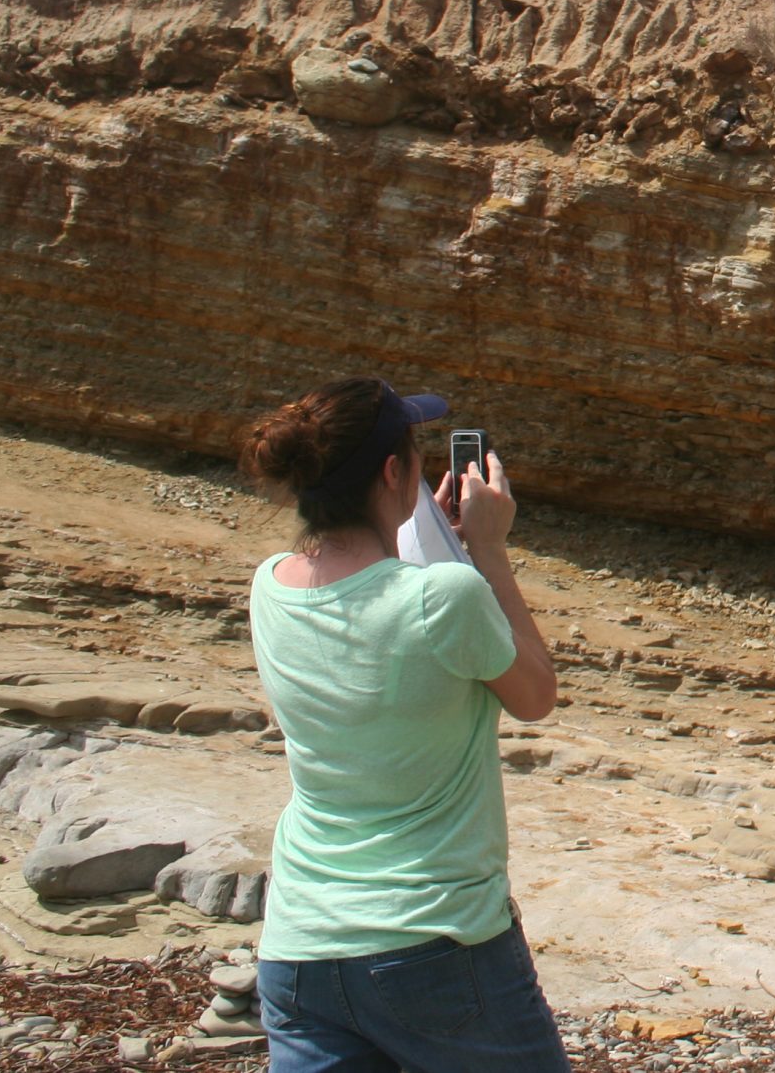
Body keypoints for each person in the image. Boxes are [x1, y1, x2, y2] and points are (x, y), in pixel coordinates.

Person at [236, 376, 568, 1073]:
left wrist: (427, 543)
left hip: (299, 947)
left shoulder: (270, 583)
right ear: (395, 471)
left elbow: (375, 610)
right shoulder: (446, 595)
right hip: (436, 939)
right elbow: (536, 693)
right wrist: (488, 551)